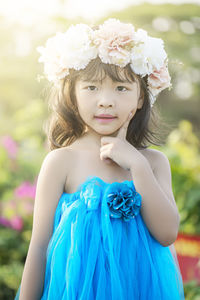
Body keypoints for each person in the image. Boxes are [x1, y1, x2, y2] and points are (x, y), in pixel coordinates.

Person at [15, 18, 185, 299]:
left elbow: (167, 233)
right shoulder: (62, 162)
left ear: (141, 98)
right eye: (92, 88)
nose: (106, 100)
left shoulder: (153, 162)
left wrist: (137, 165)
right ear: (72, 95)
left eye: (121, 88)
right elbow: (40, 246)